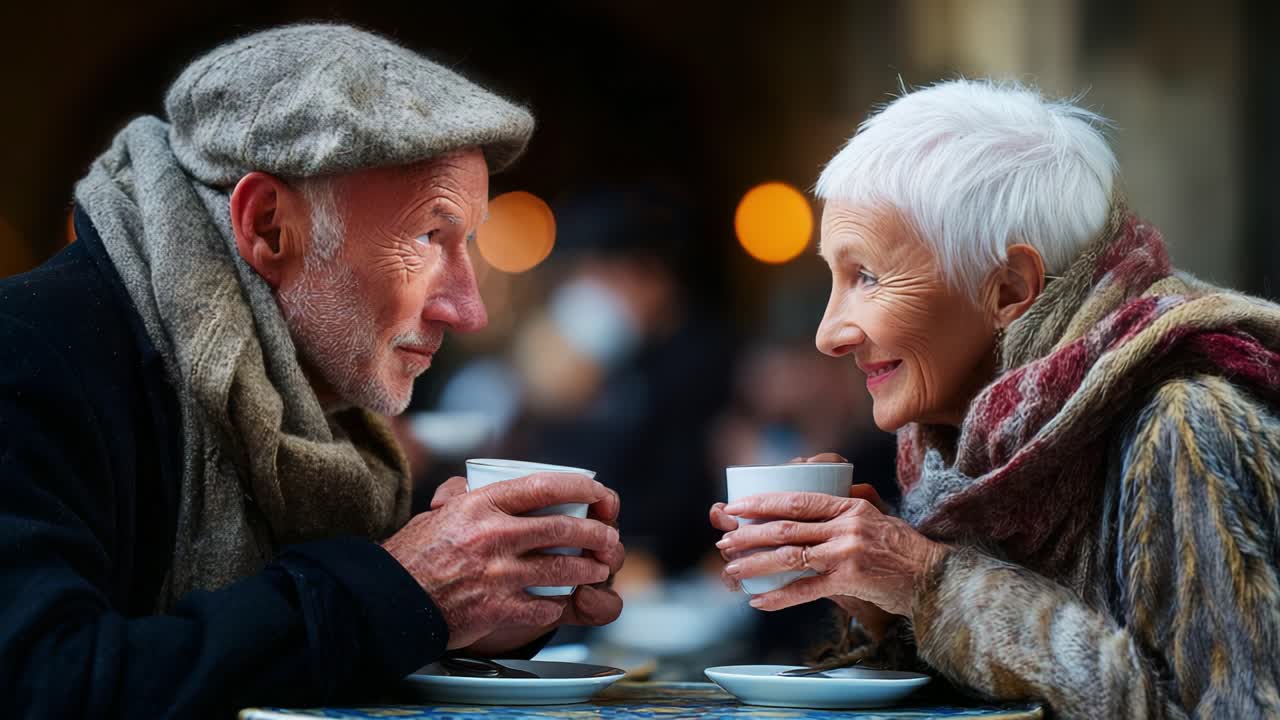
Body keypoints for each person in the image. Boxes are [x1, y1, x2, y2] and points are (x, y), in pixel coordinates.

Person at [0, 24, 623, 718]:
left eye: (467, 243)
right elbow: (43, 686)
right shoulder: (26, 352)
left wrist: (469, 619)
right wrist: (402, 592)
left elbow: (294, 657)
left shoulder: (313, 395)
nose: (468, 309)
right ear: (268, 226)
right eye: (428, 236)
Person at [710, 79, 1280, 718]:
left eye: (866, 276)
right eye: (834, 278)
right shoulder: (962, 440)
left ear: (1008, 289)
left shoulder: (1186, 423)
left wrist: (928, 582)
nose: (828, 334)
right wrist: (881, 604)